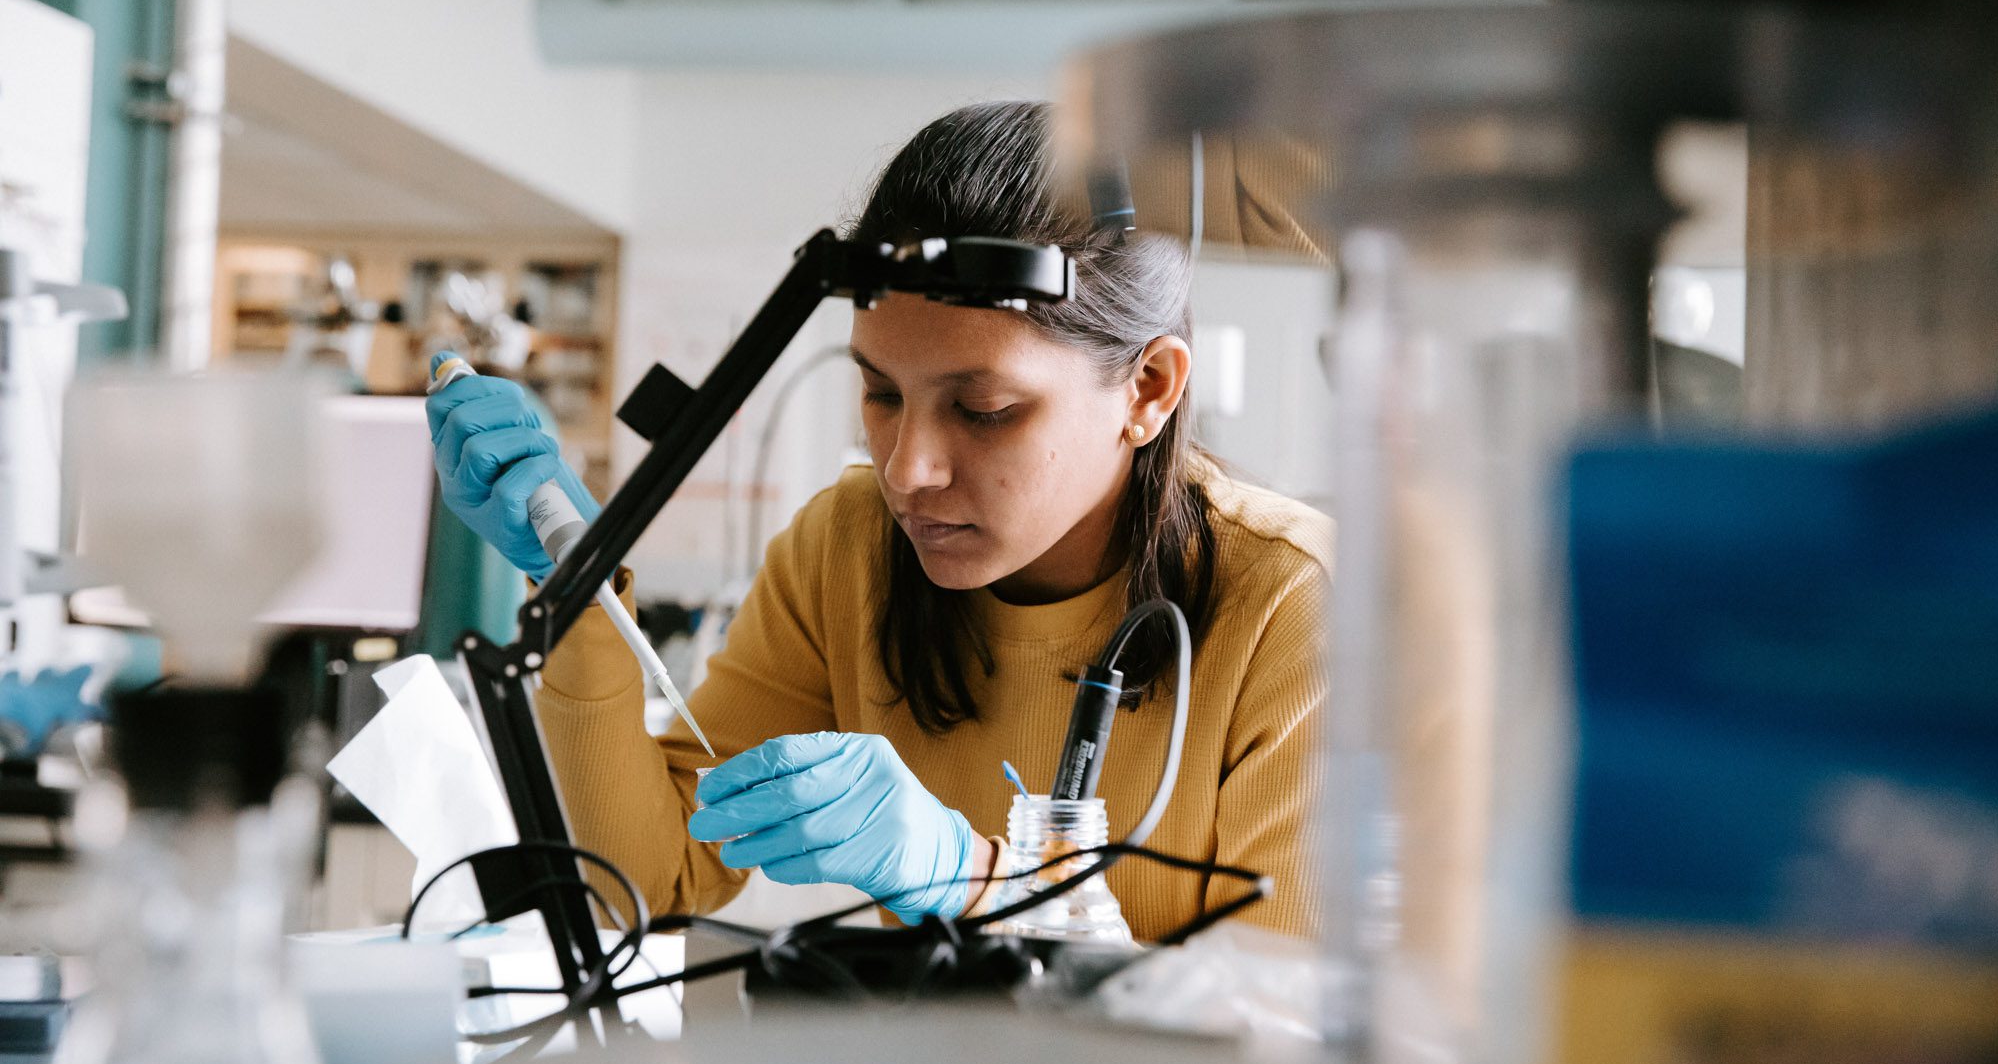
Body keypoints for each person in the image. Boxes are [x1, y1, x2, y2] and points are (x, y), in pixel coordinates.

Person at [426, 101, 1330, 943]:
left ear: (1148, 389)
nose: (906, 471)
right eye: (881, 393)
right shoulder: (849, 545)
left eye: (982, 409)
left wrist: (975, 878)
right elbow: (650, 876)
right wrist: (580, 583)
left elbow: (1291, 1025)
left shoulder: (1299, 606)